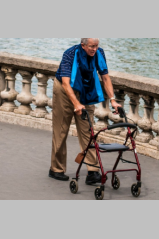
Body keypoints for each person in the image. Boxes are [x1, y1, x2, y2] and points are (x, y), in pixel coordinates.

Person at [49, 38, 121, 184]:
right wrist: (76, 104)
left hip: (86, 90)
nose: (94, 49)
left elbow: (105, 78)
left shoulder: (99, 53)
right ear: (83, 45)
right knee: (61, 129)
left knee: (88, 131)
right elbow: (65, 83)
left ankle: (92, 171)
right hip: (65, 91)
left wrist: (113, 100)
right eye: (91, 46)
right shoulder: (70, 54)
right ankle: (56, 168)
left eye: (96, 46)